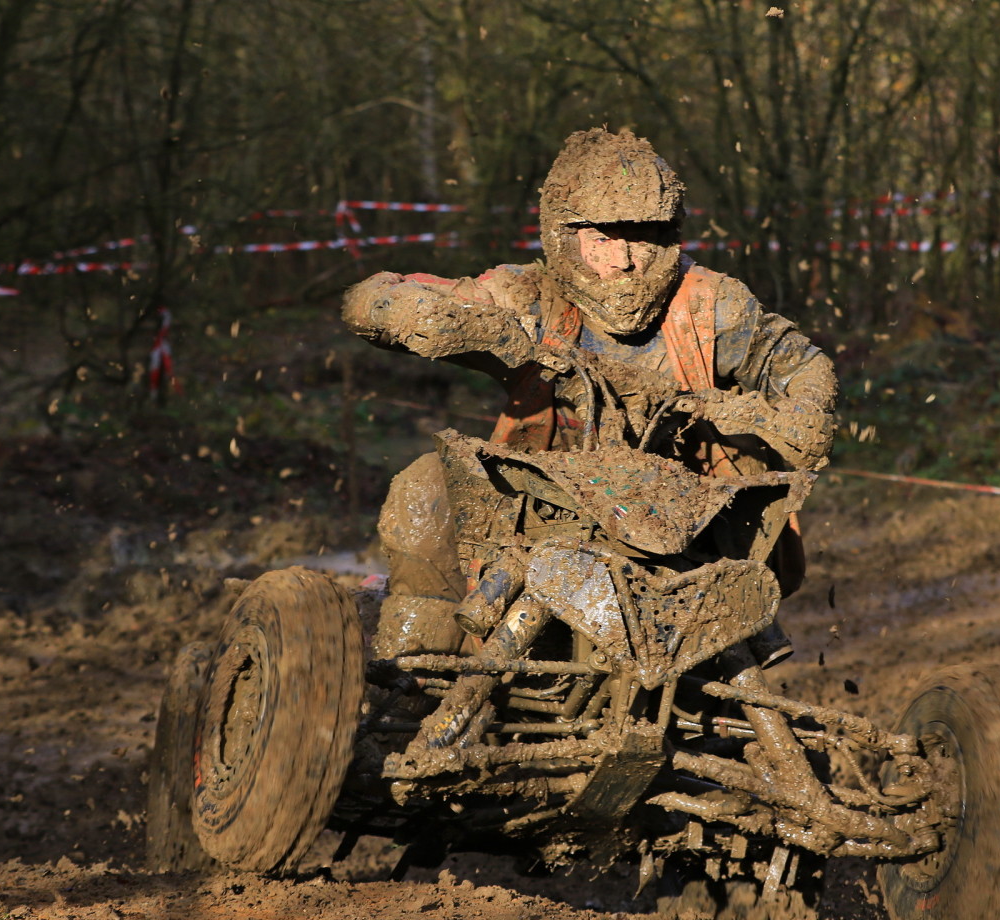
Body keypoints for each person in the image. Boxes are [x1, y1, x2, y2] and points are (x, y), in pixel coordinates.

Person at [342, 128, 837, 660]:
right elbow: (369, 300)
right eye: (603, 239)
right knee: (428, 490)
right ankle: (413, 669)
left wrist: (801, 413)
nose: (625, 261)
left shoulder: (710, 305)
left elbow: (799, 363)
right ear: (563, 236)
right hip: (537, 507)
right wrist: (438, 319)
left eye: (643, 239)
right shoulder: (526, 295)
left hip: (688, 521)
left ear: (670, 237)